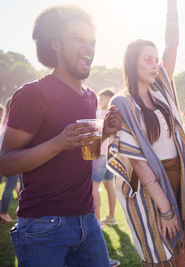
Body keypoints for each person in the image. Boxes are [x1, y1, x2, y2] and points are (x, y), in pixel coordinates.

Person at [0, 6, 122, 266]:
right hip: (42, 225)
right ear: (56, 44)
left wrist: (105, 133)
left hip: (87, 220)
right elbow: (6, 162)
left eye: (91, 41)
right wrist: (57, 143)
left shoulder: (89, 96)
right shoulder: (33, 94)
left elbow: (86, 153)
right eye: (79, 38)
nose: (88, 46)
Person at [106, 0, 185, 266]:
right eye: (146, 59)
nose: (154, 64)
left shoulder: (161, 88)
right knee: (160, 256)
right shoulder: (122, 102)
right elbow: (137, 161)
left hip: (179, 177)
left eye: (155, 58)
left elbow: (172, 42)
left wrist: (172, 4)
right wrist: (165, 208)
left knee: (183, 251)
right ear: (132, 63)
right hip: (151, 185)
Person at [92, 88, 117, 228]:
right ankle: (111, 217)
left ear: (108, 98)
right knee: (109, 185)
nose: (99, 100)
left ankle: (98, 220)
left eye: (102, 98)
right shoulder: (116, 115)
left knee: (94, 186)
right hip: (110, 153)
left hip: (100, 154)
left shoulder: (101, 114)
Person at [0, 97, 19, 223]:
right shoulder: (14, 124)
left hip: (3, 156)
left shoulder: (5, 123)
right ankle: (4, 213)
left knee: (10, 185)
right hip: (9, 158)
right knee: (10, 185)